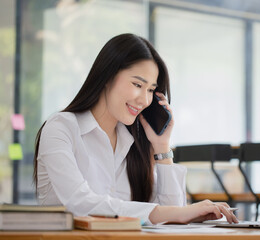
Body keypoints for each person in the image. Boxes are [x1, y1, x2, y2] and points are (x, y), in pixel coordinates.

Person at [33, 33, 238, 225]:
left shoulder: (134, 144)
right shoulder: (61, 128)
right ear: (107, 76)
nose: (145, 100)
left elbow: (171, 219)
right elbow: (79, 203)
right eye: (137, 85)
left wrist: (162, 148)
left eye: (150, 90)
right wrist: (180, 212)